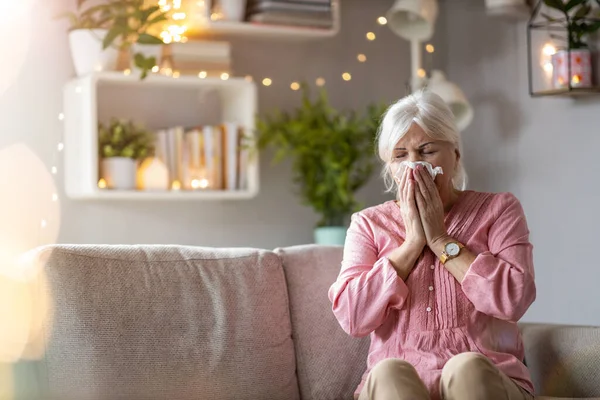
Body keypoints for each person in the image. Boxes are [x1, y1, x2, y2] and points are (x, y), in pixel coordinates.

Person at [328, 90, 536, 400]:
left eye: (426, 151)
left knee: (467, 367)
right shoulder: (368, 224)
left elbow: (513, 300)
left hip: (489, 377)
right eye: (400, 156)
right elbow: (353, 317)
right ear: (390, 168)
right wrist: (413, 243)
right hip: (398, 385)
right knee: (388, 372)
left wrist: (441, 240)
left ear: (455, 155)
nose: (414, 166)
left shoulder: (499, 210)